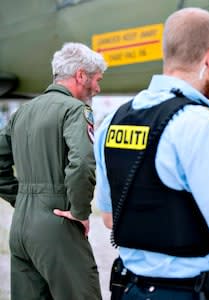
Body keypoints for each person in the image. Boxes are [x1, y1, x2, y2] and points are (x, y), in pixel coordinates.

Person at [94, 7, 209, 300]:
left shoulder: (112, 121)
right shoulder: (201, 124)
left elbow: (110, 218)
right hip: (190, 291)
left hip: (132, 289)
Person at [0, 42, 106, 299]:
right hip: (58, 225)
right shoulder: (75, 110)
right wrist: (80, 211)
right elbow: (81, 161)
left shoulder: (21, 113)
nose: (98, 88)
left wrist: (23, 200)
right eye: (97, 79)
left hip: (20, 229)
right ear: (81, 75)